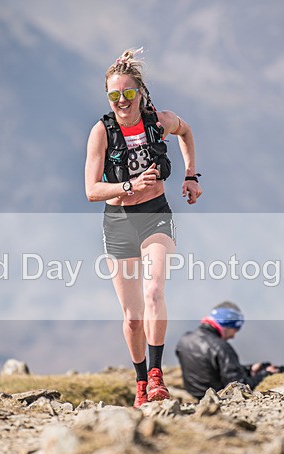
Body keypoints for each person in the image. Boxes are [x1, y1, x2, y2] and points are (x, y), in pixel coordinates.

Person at [84, 48, 203, 408]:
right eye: (114, 95)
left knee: (154, 292)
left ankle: (156, 377)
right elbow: (91, 191)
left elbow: (186, 131)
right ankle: (140, 383)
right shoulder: (101, 133)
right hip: (119, 222)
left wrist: (190, 175)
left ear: (141, 92)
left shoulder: (158, 121)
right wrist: (127, 187)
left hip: (156, 215)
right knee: (133, 318)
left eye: (129, 93)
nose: (122, 101)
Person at [175, 302, 284, 400]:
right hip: (217, 399)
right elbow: (238, 385)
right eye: (235, 330)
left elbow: (209, 369)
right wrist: (266, 374)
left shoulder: (184, 340)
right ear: (227, 324)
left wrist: (248, 369)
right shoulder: (221, 347)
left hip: (194, 396)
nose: (233, 336)